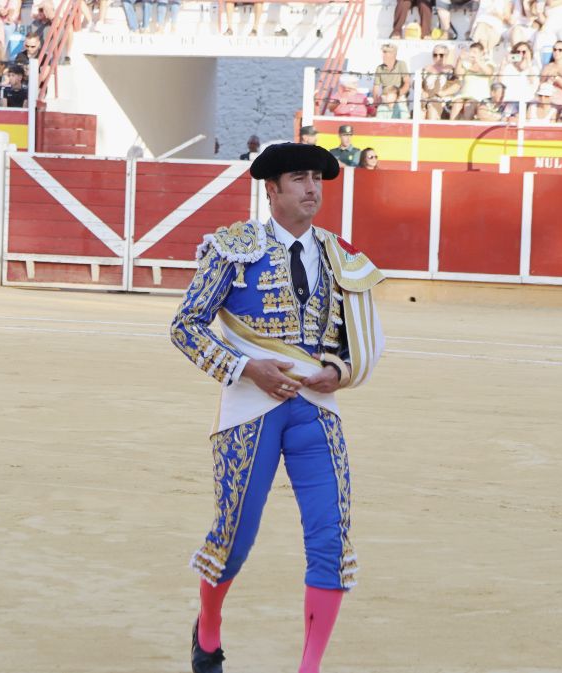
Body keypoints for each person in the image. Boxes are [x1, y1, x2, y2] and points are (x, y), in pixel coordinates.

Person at [170, 142, 384, 673]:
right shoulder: (232, 247)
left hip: (315, 408)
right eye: (298, 179)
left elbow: (354, 340)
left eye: (316, 178)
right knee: (234, 536)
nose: (312, 188)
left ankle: (309, 668)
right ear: (272, 189)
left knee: (330, 537)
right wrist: (247, 368)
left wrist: (338, 371)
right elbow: (185, 326)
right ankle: (209, 627)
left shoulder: (339, 254)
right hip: (249, 408)